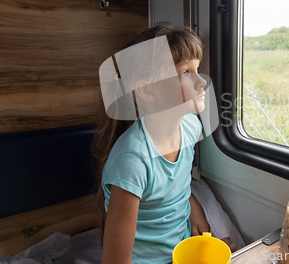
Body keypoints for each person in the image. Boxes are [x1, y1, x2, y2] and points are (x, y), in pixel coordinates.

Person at [92, 23, 230, 264]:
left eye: (197, 69)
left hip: (182, 250)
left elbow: (177, 184)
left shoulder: (190, 128)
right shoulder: (132, 162)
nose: (201, 81)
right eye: (185, 73)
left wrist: (194, 211)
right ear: (147, 91)